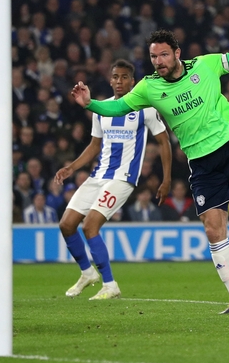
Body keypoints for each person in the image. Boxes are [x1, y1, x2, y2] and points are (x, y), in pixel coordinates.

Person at [71, 0, 229, 314]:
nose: (158, 61)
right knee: (213, 228)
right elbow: (118, 107)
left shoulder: (206, 65)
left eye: (164, 54)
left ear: (177, 53)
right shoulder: (148, 87)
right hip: (202, 163)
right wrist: (91, 105)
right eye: (153, 56)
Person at [56, 59, 172, 300]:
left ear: (133, 81)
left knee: (90, 226)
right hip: (99, 175)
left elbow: (164, 142)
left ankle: (110, 285)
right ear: (110, 80)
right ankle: (88, 273)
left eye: (124, 77)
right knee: (66, 224)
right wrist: (72, 167)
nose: (119, 81)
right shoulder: (101, 109)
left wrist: (166, 178)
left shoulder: (145, 109)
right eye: (115, 77)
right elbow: (94, 145)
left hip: (123, 178)